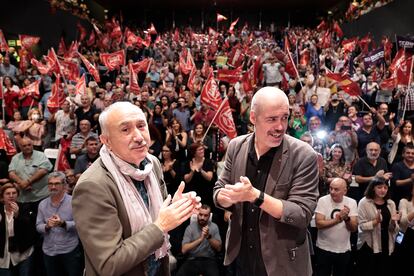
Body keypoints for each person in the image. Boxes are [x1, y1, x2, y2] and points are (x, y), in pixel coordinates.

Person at [72, 102, 200, 276]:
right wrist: (160, 226)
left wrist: (175, 207)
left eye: (141, 126)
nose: (139, 136)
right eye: (125, 130)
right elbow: (109, 264)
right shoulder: (93, 186)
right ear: (106, 141)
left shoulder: (151, 162)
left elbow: (156, 212)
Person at [213, 87, 319, 275]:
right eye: (272, 119)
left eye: (284, 118)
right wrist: (228, 197)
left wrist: (255, 196)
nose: (280, 126)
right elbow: (219, 191)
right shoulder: (236, 146)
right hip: (241, 257)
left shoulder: (304, 155)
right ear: (253, 118)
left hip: (282, 263)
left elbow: (301, 214)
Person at [36, 172, 83, 276]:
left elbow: (81, 225)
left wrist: (63, 223)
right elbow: (38, 226)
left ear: (64, 185)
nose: (53, 187)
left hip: (69, 250)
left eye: (57, 183)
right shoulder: (42, 204)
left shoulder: (73, 202)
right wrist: (47, 226)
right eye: (50, 184)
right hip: (49, 250)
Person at [356, 176, 400, 276]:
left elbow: (393, 229)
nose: (383, 190)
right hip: (369, 244)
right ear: (373, 188)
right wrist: (375, 222)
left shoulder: (391, 203)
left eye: (385, 187)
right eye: (379, 187)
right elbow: (361, 226)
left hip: (386, 243)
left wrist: (393, 222)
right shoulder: (364, 202)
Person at [314, 178, 358, 276]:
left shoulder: (352, 202)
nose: (332, 192)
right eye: (331, 188)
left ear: (345, 191)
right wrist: (337, 220)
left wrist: (346, 219)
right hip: (324, 248)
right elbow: (319, 224)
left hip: (343, 249)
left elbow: (354, 228)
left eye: (336, 189)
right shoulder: (323, 200)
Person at [0, 183, 37, 276]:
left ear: (18, 195)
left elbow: (29, 229)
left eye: (14, 193)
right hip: (3, 255)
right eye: (8, 193)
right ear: (2, 197)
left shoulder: (25, 208)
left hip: (23, 253)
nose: (11, 196)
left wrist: (17, 215)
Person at [176, 204, 222, 276]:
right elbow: (183, 250)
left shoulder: (214, 227)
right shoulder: (190, 228)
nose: (202, 217)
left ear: (209, 216)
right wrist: (200, 239)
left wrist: (208, 237)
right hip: (192, 259)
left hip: (209, 260)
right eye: (200, 214)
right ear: (197, 214)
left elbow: (219, 248)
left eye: (205, 215)